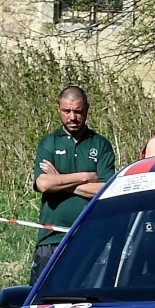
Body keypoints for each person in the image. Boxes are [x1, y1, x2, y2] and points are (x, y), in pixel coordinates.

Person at [30, 85, 116, 282]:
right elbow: (43, 184)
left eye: (77, 111)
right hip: (51, 238)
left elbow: (105, 189)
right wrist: (84, 176)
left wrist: (60, 179)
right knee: (42, 305)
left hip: (91, 237)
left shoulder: (100, 144)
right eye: (66, 111)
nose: (72, 117)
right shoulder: (49, 142)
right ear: (58, 109)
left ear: (86, 109)